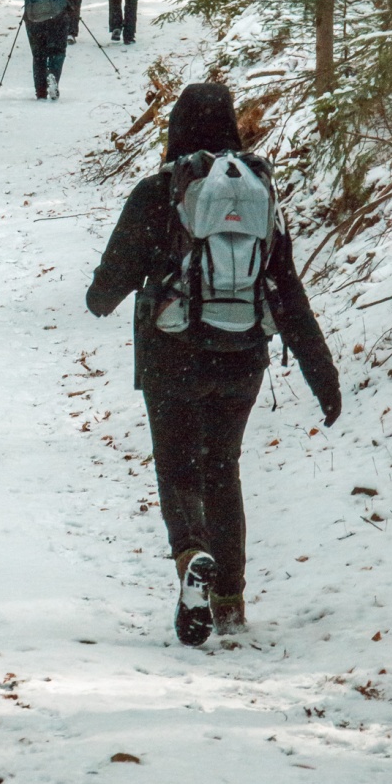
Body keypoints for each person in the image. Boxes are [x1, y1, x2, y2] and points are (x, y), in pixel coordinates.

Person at [85, 83, 340, 645]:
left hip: (171, 354)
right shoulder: (257, 195)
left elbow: (107, 289)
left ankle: (192, 556)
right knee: (223, 468)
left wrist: (102, 296)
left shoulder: (159, 193)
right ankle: (228, 600)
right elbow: (287, 290)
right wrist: (323, 376)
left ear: (176, 127)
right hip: (242, 354)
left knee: (178, 467)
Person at [11, 0, 68, 100]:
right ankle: (53, 76)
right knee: (57, 51)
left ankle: (40, 91)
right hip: (55, 14)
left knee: (38, 55)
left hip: (33, 16)